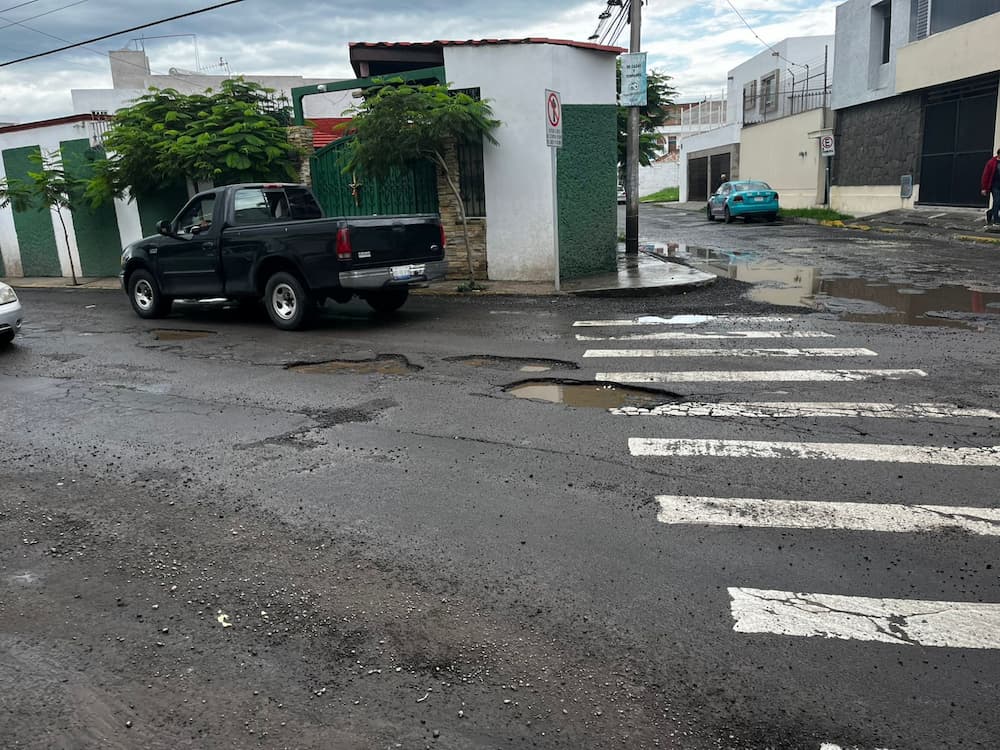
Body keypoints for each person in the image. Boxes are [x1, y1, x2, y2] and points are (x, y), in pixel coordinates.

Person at [980, 147, 1000, 226]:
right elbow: (986, 175)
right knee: (997, 201)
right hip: (995, 185)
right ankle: (996, 220)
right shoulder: (991, 162)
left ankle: (990, 212)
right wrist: (984, 188)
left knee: (998, 203)